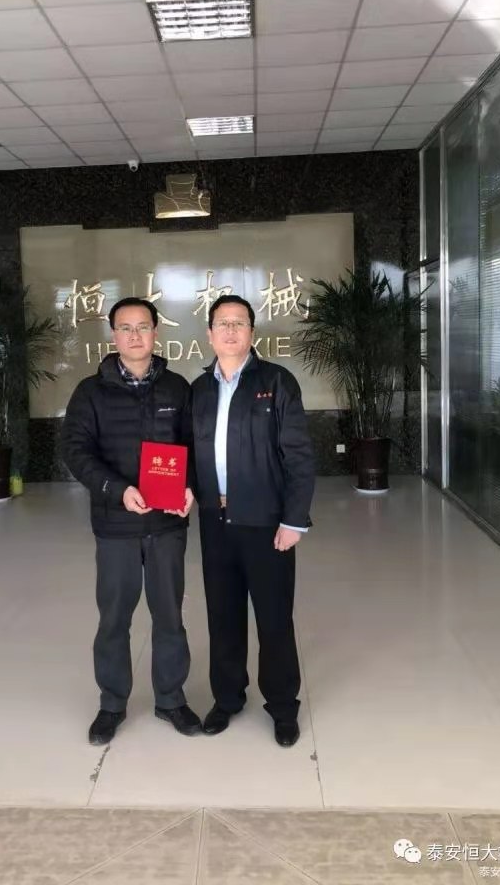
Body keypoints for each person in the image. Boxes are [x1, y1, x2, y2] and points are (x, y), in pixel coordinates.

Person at [61, 297, 200, 745]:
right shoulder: (90, 392)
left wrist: (190, 487)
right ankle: (112, 704)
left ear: (156, 332)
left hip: (167, 525)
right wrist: (117, 489)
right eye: (126, 328)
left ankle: (171, 699)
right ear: (114, 335)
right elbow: (75, 451)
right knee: (114, 617)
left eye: (143, 327)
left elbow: (194, 446)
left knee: (169, 615)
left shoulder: (178, 388)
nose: (135, 335)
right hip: (116, 525)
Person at [191, 295, 315, 747]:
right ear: (209, 334)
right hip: (215, 518)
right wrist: (184, 489)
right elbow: (187, 451)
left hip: (266, 522)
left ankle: (282, 706)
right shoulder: (199, 390)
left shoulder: (276, 382)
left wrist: (294, 521)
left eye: (239, 322)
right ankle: (227, 698)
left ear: (251, 332)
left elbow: (298, 455)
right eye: (222, 323)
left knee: (274, 618)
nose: (230, 330)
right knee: (222, 615)